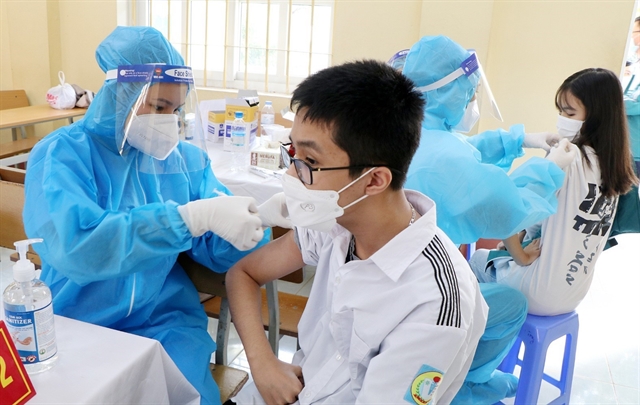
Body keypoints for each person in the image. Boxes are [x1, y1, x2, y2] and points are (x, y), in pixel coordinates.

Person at [22, 26, 286, 405]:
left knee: (190, 397)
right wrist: (186, 220)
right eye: (159, 107)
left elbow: (221, 249)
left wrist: (254, 220)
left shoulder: (184, 161)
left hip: (164, 321)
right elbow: (77, 246)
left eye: (176, 110)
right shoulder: (62, 155)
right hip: (78, 318)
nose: (168, 121)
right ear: (120, 93)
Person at [226, 60, 488, 404]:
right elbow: (242, 274)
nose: (292, 176)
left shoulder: (435, 301)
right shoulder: (335, 222)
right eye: (292, 153)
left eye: (310, 163)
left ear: (374, 180)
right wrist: (263, 365)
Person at [398, 35, 575, 404]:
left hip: (400, 281)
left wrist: (521, 139)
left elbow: (468, 149)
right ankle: (462, 385)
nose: (473, 102)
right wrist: (548, 170)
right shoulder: (446, 160)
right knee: (510, 304)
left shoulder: (412, 134)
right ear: (449, 93)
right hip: (420, 301)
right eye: (471, 93)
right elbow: (508, 209)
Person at [469, 68, 639, 316]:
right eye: (560, 111)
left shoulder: (567, 157)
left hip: (537, 293)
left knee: (478, 259)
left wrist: (520, 255)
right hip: (574, 295)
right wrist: (521, 239)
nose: (561, 118)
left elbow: (507, 210)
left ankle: (479, 341)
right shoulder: (616, 166)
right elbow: (551, 214)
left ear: (596, 116)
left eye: (569, 113)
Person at [624, 16, 640, 175]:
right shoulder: (633, 61)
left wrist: (616, 103)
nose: (633, 36)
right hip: (627, 143)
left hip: (636, 147)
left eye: (635, 31)